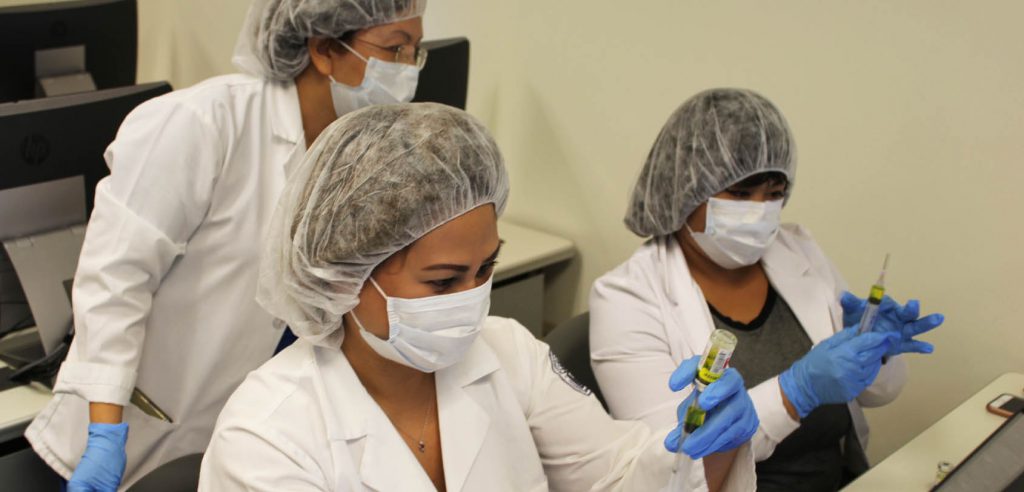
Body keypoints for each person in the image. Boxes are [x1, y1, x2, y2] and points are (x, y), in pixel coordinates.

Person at [199, 103, 760, 491]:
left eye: (486, 268)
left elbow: (620, 477)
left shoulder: (507, 352)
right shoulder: (267, 434)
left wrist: (704, 440)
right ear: (345, 276)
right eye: (442, 281)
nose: (472, 299)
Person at [26, 0, 429, 489]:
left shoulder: (360, 148)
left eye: (415, 50)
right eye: (394, 49)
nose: (407, 69)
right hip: (139, 434)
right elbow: (115, 280)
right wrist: (104, 432)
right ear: (323, 49)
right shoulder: (200, 122)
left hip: (253, 444)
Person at [589, 88, 945, 491]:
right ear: (683, 189)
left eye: (773, 194)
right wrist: (797, 390)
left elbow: (877, 396)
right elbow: (677, 463)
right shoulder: (626, 297)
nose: (759, 210)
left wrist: (874, 349)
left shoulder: (798, 250)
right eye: (740, 194)